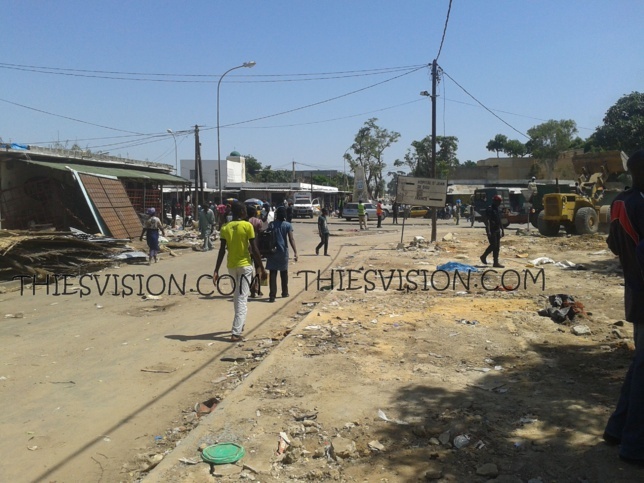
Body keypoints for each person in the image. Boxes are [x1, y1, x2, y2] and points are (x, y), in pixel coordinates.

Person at [603, 149, 644, 466]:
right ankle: (633, 444)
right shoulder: (641, 204)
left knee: (639, 367)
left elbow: (614, 245)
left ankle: (617, 429)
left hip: (635, 293)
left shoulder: (621, 202)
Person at [214, 202, 266, 342]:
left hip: (231, 266)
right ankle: (236, 332)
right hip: (245, 266)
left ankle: (239, 324)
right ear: (242, 212)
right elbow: (254, 249)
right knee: (242, 298)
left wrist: (216, 270)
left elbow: (221, 250)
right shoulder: (247, 226)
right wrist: (261, 267)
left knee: (237, 296)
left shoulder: (226, 227)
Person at [265, 206, 298, 302]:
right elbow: (291, 239)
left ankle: (272, 295)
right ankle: (284, 292)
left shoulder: (271, 224)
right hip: (283, 252)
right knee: (284, 273)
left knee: (273, 273)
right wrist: (295, 252)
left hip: (272, 251)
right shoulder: (287, 225)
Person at [480, 195, 505, 268]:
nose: (499, 203)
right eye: (498, 202)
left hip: (497, 229)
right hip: (491, 229)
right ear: (495, 201)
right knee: (493, 245)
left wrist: (502, 230)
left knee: (497, 247)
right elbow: (487, 221)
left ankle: (496, 262)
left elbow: (499, 220)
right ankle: (483, 256)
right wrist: (488, 231)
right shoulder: (489, 209)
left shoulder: (497, 209)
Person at [247, 207, 264, 298]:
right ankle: (257, 288)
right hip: (256, 247)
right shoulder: (258, 221)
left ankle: (251, 289)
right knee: (258, 269)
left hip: (246, 248)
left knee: (249, 270)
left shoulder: (245, 222)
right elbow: (261, 234)